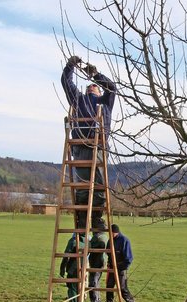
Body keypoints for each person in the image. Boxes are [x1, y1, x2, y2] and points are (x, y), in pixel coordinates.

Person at [61, 55, 117, 230]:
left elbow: (112, 88)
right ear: (86, 91)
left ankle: (96, 217)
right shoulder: (79, 99)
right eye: (90, 86)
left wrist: (95, 75)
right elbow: (66, 82)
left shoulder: (105, 102)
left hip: (98, 146)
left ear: (99, 91)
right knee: (83, 186)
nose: (92, 87)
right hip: (80, 145)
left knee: (100, 186)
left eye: (95, 87)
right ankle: (82, 217)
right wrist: (71, 65)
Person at [106, 224, 135, 302]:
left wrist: (121, 267)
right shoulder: (110, 240)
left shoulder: (124, 240)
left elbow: (129, 258)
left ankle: (130, 300)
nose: (110, 235)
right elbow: (108, 252)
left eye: (111, 233)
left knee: (122, 288)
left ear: (115, 232)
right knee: (109, 287)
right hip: (111, 267)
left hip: (121, 268)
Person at [59, 233, 85, 302]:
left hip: (73, 268)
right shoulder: (87, 242)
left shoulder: (73, 241)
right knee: (79, 288)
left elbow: (66, 255)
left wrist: (62, 268)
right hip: (83, 266)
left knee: (72, 288)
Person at [88, 230, 108, 302]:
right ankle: (97, 300)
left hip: (96, 262)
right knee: (96, 281)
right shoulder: (104, 236)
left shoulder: (97, 237)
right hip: (101, 261)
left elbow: (94, 246)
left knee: (93, 282)